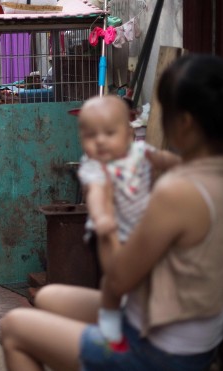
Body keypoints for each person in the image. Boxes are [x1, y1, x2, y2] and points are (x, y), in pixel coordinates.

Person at [0, 54, 223, 371]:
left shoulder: (179, 192)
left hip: (159, 351)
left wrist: (105, 215)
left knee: (14, 327)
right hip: (190, 324)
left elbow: (118, 276)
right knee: (48, 297)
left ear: (184, 122)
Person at [76, 95, 153, 348]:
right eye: (90, 135)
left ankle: (139, 318)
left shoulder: (141, 152)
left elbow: (163, 165)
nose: (99, 141)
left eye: (109, 133)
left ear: (128, 132)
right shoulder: (94, 165)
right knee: (112, 281)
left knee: (144, 280)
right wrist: (102, 217)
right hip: (112, 228)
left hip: (143, 228)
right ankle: (109, 315)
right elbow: (96, 192)